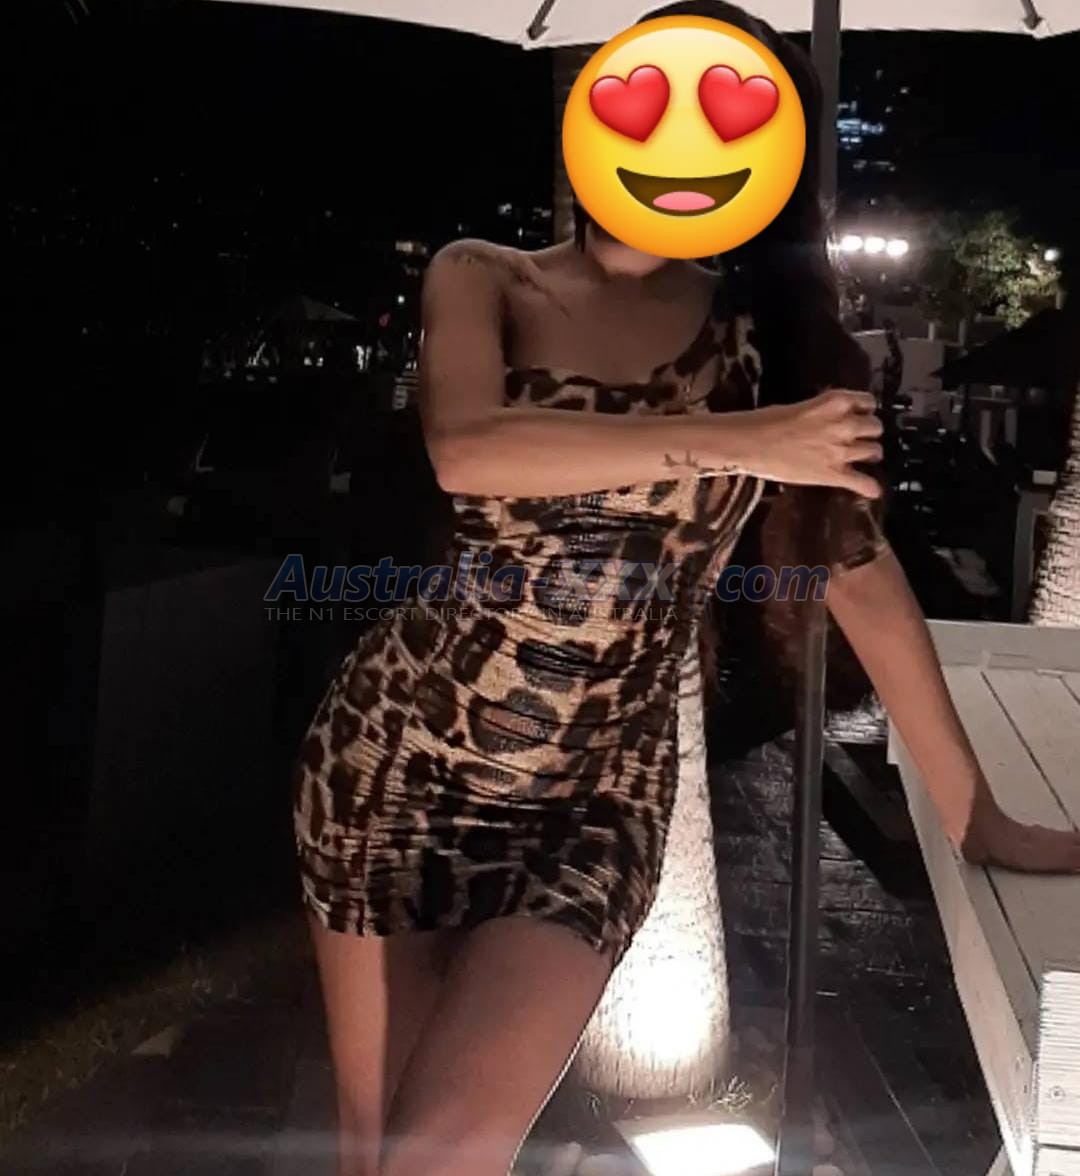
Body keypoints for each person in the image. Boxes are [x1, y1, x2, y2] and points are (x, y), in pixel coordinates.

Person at [290, 5, 1080, 1174]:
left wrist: (977, 815)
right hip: (399, 763)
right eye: (647, 103)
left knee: (444, 1152)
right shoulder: (484, 273)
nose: (681, 142)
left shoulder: (763, 338)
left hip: (599, 794)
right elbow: (468, 448)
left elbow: (854, 568)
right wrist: (746, 439)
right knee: (374, 1154)